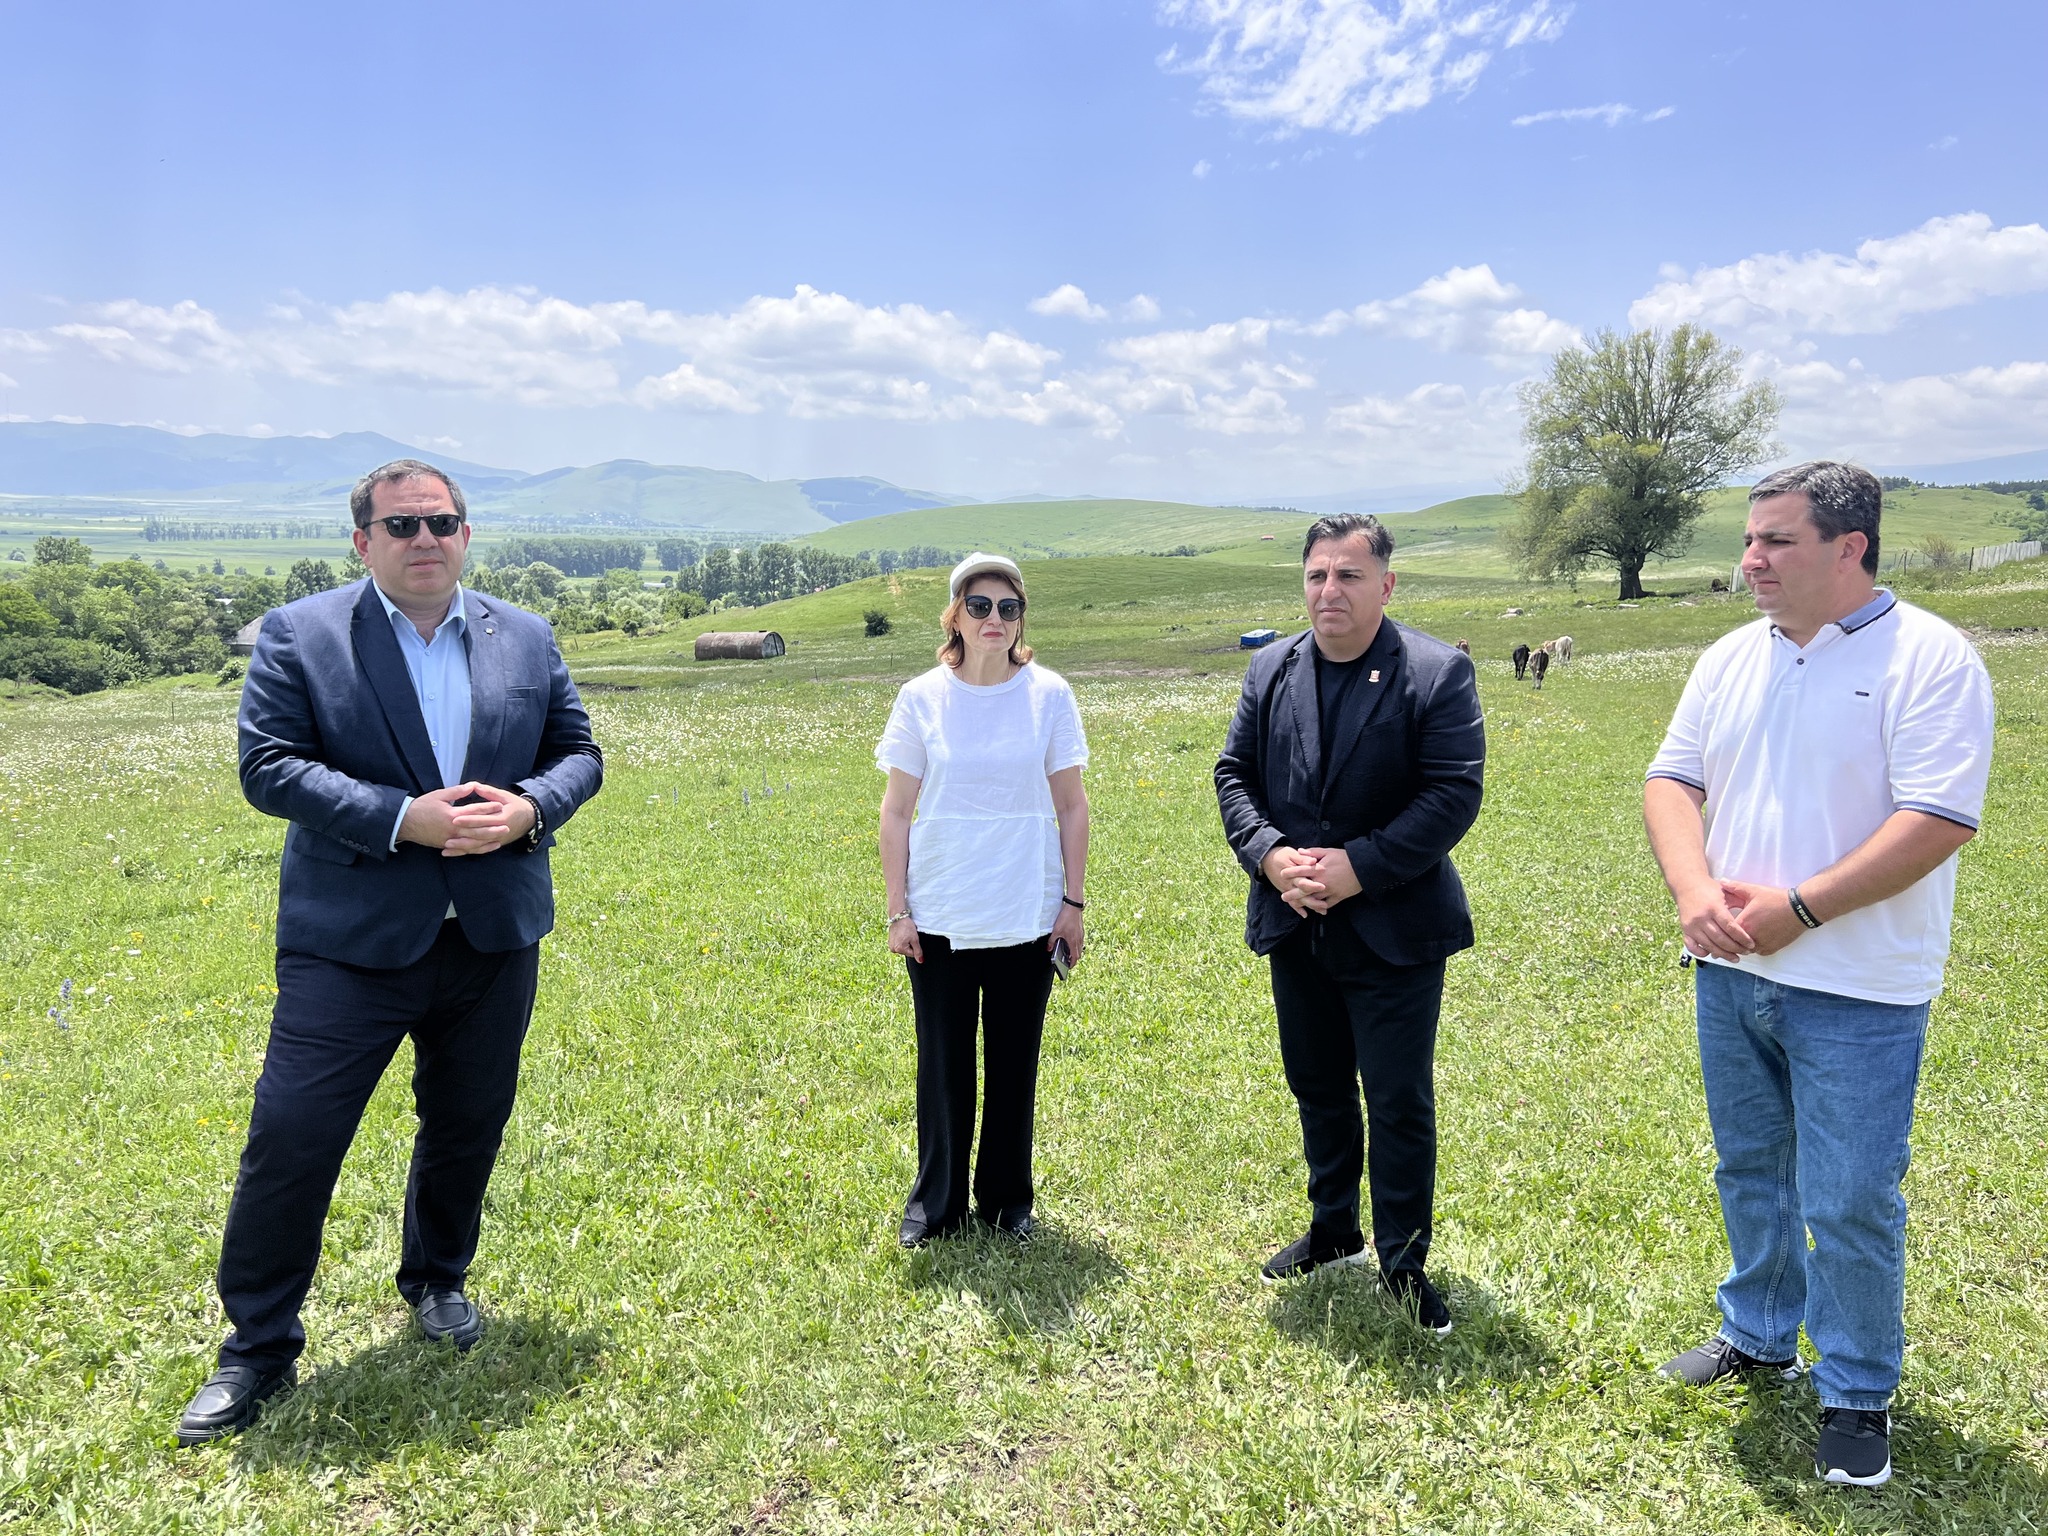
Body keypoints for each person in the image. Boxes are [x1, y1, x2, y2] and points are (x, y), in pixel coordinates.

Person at [176, 459, 604, 1446]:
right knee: (293, 1136)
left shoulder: (524, 634)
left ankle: (438, 1280)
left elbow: (578, 752)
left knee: (466, 1123)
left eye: (442, 522)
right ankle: (257, 1346)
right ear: (362, 540)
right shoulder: (302, 633)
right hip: (350, 942)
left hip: (492, 934)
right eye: (402, 525)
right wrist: (401, 818)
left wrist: (531, 808)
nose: (426, 539)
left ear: (466, 535)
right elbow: (268, 765)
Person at [1644, 461, 1994, 1487]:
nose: (1750, 560)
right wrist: (1693, 891)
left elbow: (1936, 819)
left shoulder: (1928, 657)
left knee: (1847, 1197)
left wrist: (1798, 909)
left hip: (1858, 984)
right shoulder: (1729, 656)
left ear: (1850, 548)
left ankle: (1855, 1390)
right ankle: (1757, 1333)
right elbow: (1672, 779)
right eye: (1749, 539)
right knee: (1750, 1167)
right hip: (1728, 968)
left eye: (1775, 541)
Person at [1215, 514, 1484, 1332]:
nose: (1329, 590)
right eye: (1317, 575)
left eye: (1349, 575)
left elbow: (1452, 794)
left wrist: (1358, 865)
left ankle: (1404, 1263)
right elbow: (1234, 774)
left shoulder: (1435, 672)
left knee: (1397, 1099)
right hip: (1295, 920)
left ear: (1386, 585)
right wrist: (1269, 855)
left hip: (1396, 929)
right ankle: (1334, 1229)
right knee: (1318, 1085)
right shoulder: (1272, 668)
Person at [876, 553, 1089, 1247]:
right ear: (955, 617)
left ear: (1021, 618)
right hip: (941, 911)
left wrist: (1072, 903)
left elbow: (1072, 804)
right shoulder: (921, 697)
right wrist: (899, 910)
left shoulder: (1050, 695)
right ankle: (935, 1208)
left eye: (1008, 607)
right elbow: (895, 812)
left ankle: (1006, 1203)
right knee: (943, 1068)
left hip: (1027, 910)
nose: (994, 618)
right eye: (979, 606)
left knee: (1013, 1064)